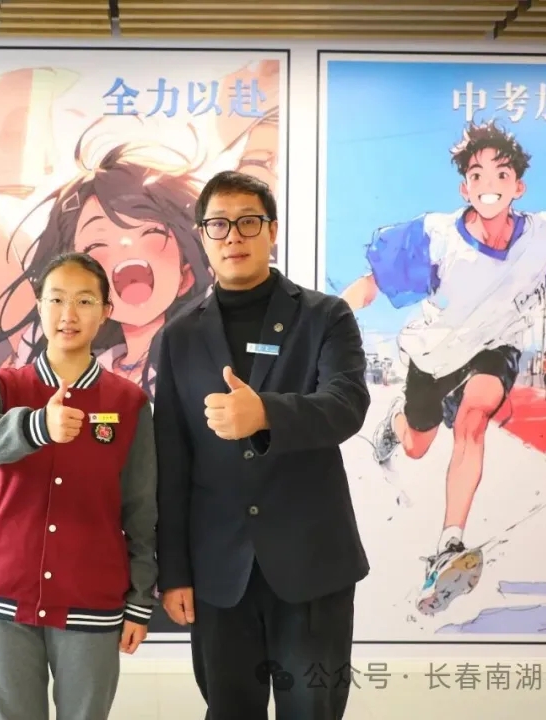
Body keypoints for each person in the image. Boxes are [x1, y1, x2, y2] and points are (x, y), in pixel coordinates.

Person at [338, 120, 546, 616]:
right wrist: (324, 322)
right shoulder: (436, 236)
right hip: (435, 354)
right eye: (477, 175)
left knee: (473, 421)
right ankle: (397, 423)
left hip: (497, 347)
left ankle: (449, 544)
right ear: (465, 188)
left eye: (501, 174)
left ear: (518, 187)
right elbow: (370, 285)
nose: (489, 185)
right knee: (417, 445)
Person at [154, 171, 371, 719]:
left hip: (312, 565)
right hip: (218, 574)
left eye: (248, 222)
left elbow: (347, 404)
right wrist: (175, 573)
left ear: (272, 231)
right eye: (218, 225)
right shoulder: (179, 336)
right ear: (202, 236)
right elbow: (172, 464)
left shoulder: (325, 316)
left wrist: (266, 414)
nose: (234, 236)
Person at [0, 252, 158, 720]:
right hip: (6, 594)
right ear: (39, 306)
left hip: (91, 596)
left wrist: (140, 600)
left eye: (84, 301)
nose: (69, 314)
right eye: (57, 299)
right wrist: (36, 427)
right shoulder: (2, 387)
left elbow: (141, 507)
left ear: (106, 312)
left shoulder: (128, 402)